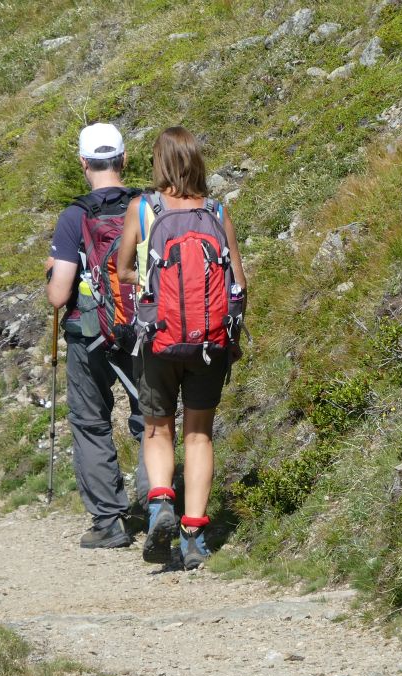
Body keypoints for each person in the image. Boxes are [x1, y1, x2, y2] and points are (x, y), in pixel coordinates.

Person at [118, 126, 247, 569]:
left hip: (158, 340)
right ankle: (194, 535)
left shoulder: (144, 209)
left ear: (160, 162)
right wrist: (228, 336)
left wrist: (151, 281)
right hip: (210, 343)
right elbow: (238, 284)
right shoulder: (216, 211)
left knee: (157, 428)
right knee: (198, 434)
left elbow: (122, 269)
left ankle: (160, 506)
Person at [46, 122, 149, 549]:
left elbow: (58, 295)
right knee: (153, 416)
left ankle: (109, 522)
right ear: (124, 159)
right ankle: (157, 502)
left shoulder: (74, 217)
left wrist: (51, 271)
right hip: (145, 328)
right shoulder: (147, 207)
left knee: (91, 423)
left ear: (83, 163)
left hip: (89, 335)